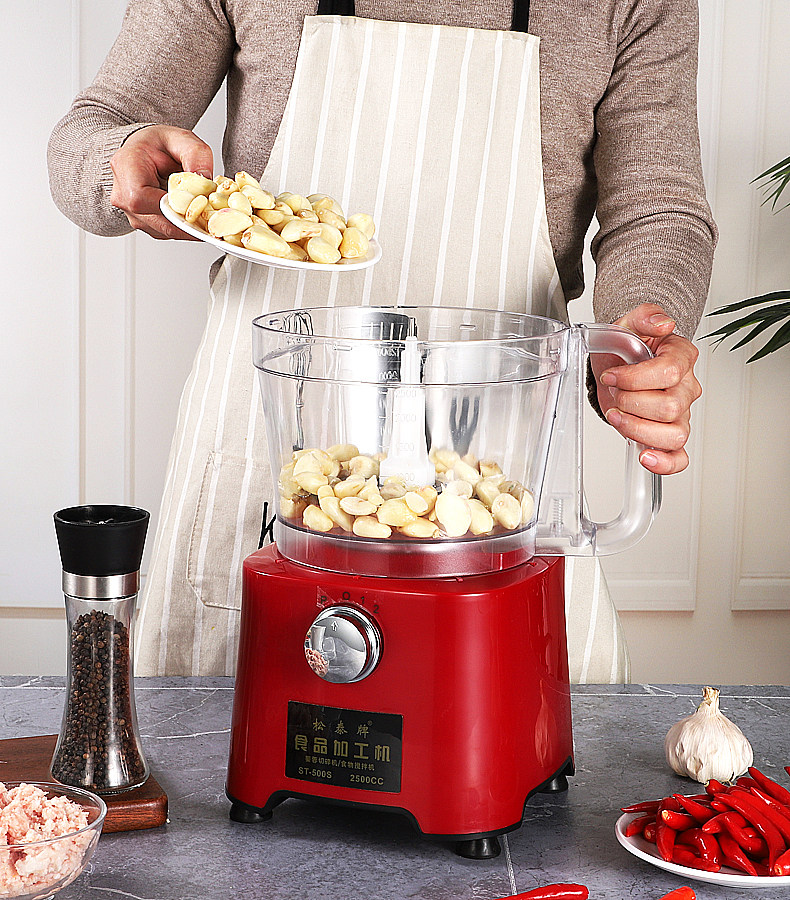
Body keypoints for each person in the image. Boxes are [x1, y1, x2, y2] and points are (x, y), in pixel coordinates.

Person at [48, 0, 715, 682]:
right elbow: (93, 128)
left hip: (494, 477)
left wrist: (636, 341)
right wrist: (118, 159)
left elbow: (658, 207)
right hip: (265, 449)